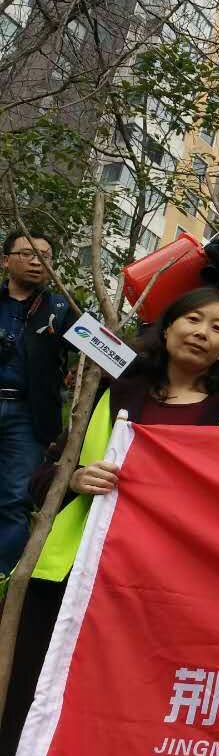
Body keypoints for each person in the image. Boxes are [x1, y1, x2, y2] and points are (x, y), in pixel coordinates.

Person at [0, 287, 219, 756]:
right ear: (168, 327)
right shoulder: (115, 393)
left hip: (157, 588)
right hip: (69, 573)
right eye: (192, 319)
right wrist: (74, 479)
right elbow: (43, 479)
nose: (201, 333)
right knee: (30, 691)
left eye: (217, 327)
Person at [0, 231, 74, 575]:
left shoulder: (60, 308)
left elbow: (107, 352)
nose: (37, 261)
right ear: (6, 261)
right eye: (28, 253)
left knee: (15, 500)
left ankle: (3, 579)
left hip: (29, 418)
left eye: (45, 255)